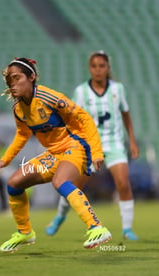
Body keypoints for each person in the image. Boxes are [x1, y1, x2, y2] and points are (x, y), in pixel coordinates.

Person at [0, 57, 112, 251]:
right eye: (9, 81)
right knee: (14, 183)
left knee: (60, 182)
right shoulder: (18, 108)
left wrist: (97, 151)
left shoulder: (49, 97)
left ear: (31, 77)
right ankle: (25, 232)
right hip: (54, 153)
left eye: (17, 78)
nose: (12, 84)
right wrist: (5, 160)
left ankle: (97, 227)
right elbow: (22, 134)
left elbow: (84, 117)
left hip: (76, 146)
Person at [46, 51, 139, 240]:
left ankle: (127, 229)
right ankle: (59, 216)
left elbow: (126, 115)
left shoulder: (118, 89)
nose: (98, 70)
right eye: (94, 66)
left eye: (102, 66)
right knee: (74, 186)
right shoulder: (81, 92)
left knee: (123, 183)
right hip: (89, 146)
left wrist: (133, 141)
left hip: (113, 144)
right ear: (90, 68)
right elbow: (71, 117)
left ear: (108, 68)